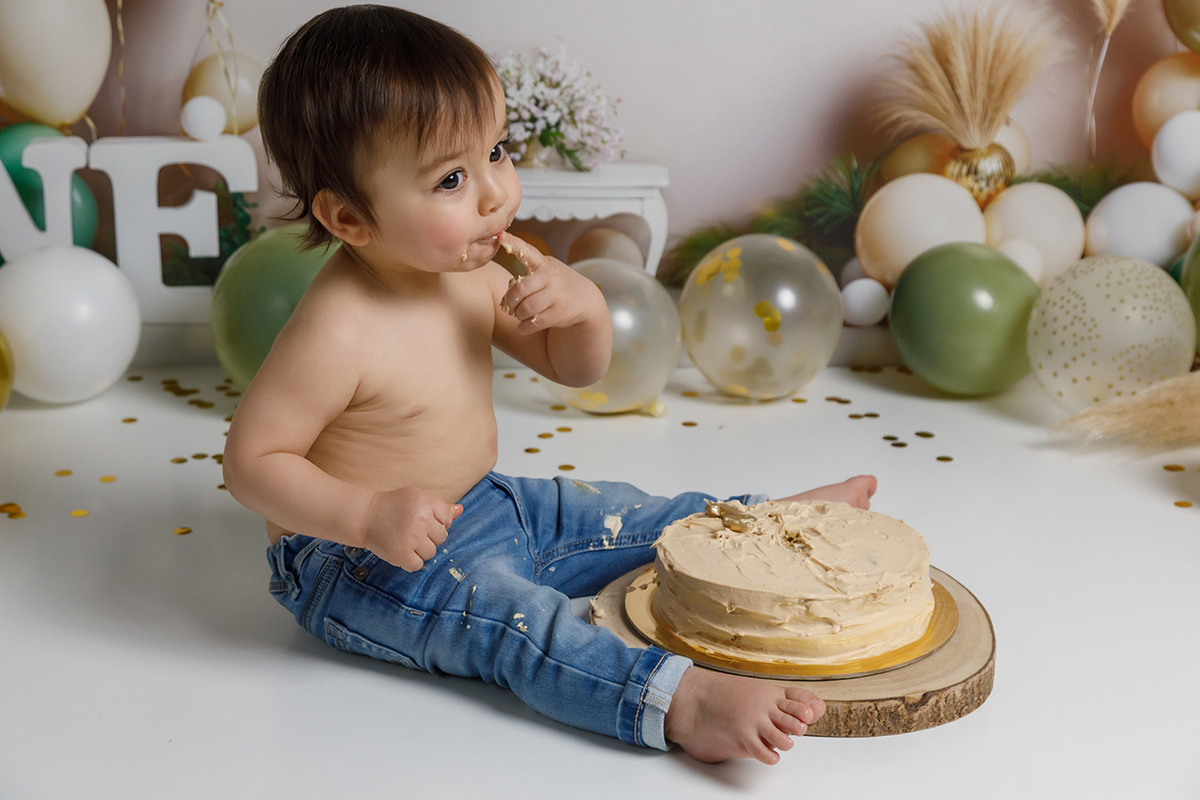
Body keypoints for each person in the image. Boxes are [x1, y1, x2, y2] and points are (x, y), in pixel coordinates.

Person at [223, 4, 877, 764]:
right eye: (452, 178)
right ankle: (678, 699)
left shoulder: (467, 267)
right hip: (364, 561)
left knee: (617, 512)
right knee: (522, 623)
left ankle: (760, 526)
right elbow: (251, 462)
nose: (496, 193)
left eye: (498, 151)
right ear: (349, 218)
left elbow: (577, 369)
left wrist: (584, 308)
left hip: (489, 501)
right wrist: (366, 515)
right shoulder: (338, 329)